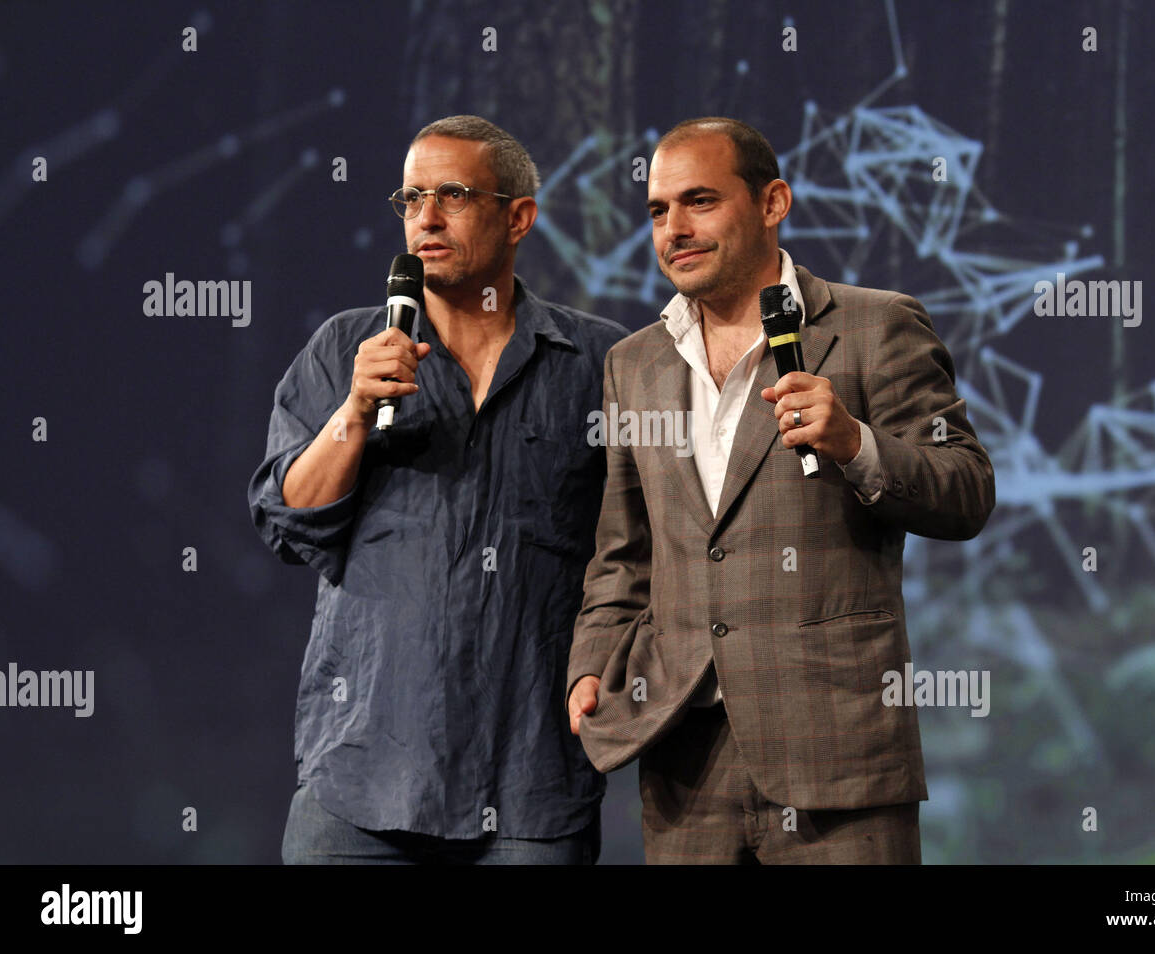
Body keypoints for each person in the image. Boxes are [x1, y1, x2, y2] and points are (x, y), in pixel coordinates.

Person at [566, 117, 995, 864]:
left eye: (699, 201)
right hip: (684, 758)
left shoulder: (873, 326)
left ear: (773, 203)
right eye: (658, 210)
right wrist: (593, 660)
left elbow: (966, 489)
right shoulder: (634, 365)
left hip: (837, 751)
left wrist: (856, 443)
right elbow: (624, 548)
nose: (675, 229)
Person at [248, 115, 628, 864]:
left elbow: (643, 545)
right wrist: (354, 412)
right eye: (410, 197)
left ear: (519, 217)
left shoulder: (600, 363)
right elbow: (287, 519)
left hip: (530, 784)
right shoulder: (346, 348)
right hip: (362, 782)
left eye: (452, 195)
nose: (424, 218)